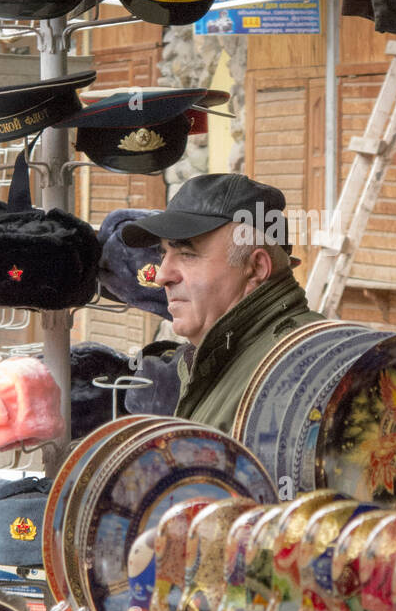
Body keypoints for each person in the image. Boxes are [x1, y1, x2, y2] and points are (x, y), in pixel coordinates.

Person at [118, 174, 325, 433]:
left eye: (187, 254)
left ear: (257, 267)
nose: (161, 276)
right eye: (164, 254)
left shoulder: (298, 370)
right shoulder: (220, 355)